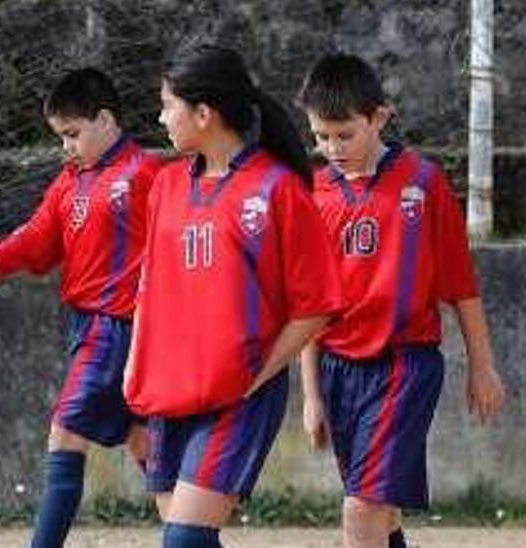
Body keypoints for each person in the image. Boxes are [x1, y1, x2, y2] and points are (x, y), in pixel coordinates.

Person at [123, 44, 344, 548]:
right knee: (185, 537)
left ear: (204, 114)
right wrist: (134, 363)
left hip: (237, 396)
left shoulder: (279, 190)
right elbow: (148, 284)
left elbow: (318, 306)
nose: (160, 117)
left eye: (167, 105)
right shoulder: (164, 186)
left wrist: (258, 374)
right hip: (167, 388)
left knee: (183, 539)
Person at [294, 53, 505, 548]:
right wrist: (311, 394)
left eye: (345, 135)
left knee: (360, 512)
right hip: (338, 369)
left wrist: (482, 365)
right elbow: (309, 306)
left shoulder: (423, 183)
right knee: (380, 516)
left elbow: (460, 285)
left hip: (403, 367)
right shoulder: (314, 192)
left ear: (379, 117)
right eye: (321, 137)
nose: (333, 148)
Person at [0, 67, 160, 548]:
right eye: (61, 137)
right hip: (87, 328)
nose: (66, 146)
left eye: (73, 134)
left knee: (65, 434)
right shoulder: (70, 183)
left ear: (106, 120)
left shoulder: (146, 174)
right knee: (141, 439)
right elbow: (37, 237)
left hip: (116, 328)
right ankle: (193, 528)